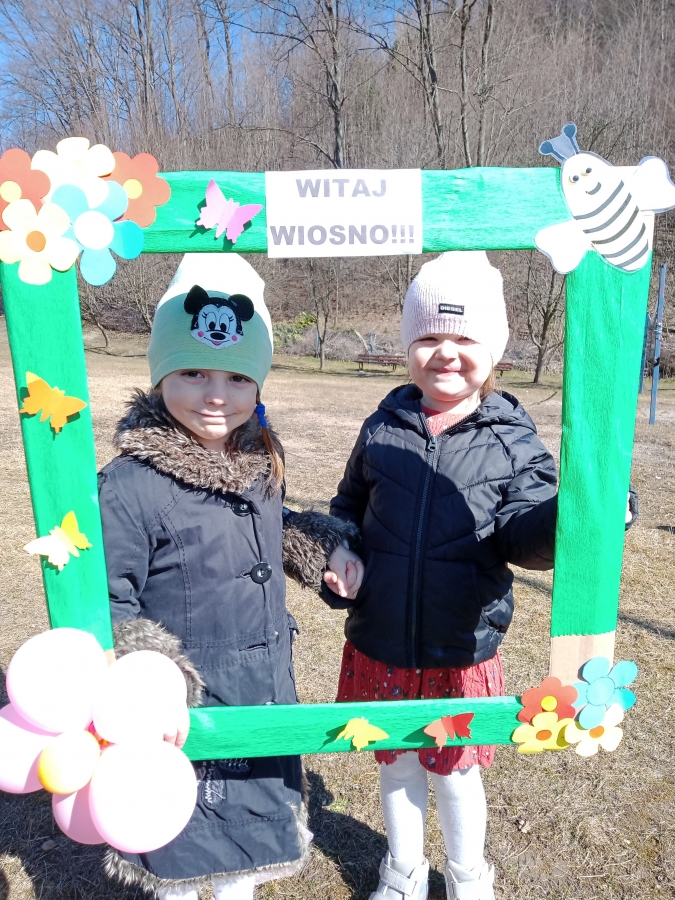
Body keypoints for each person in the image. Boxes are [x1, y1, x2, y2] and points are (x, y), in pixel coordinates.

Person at [321, 251, 636, 900]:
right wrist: (340, 548)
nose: (445, 352)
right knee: (397, 764)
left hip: (459, 651)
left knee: (455, 772)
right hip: (380, 641)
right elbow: (347, 504)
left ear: (492, 351)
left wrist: (578, 516)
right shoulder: (381, 426)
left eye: (464, 338)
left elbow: (524, 535)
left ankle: (468, 878)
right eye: (429, 336)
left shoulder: (511, 439)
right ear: (408, 346)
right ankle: (403, 872)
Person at [98, 253, 359, 900]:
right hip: (181, 712)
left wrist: (324, 550)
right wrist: (152, 684)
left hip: (261, 691)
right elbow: (107, 598)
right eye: (193, 372)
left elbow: (269, 526)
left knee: (245, 857)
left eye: (238, 377)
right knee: (180, 852)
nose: (216, 394)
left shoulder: (258, 460)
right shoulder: (129, 485)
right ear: (160, 373)